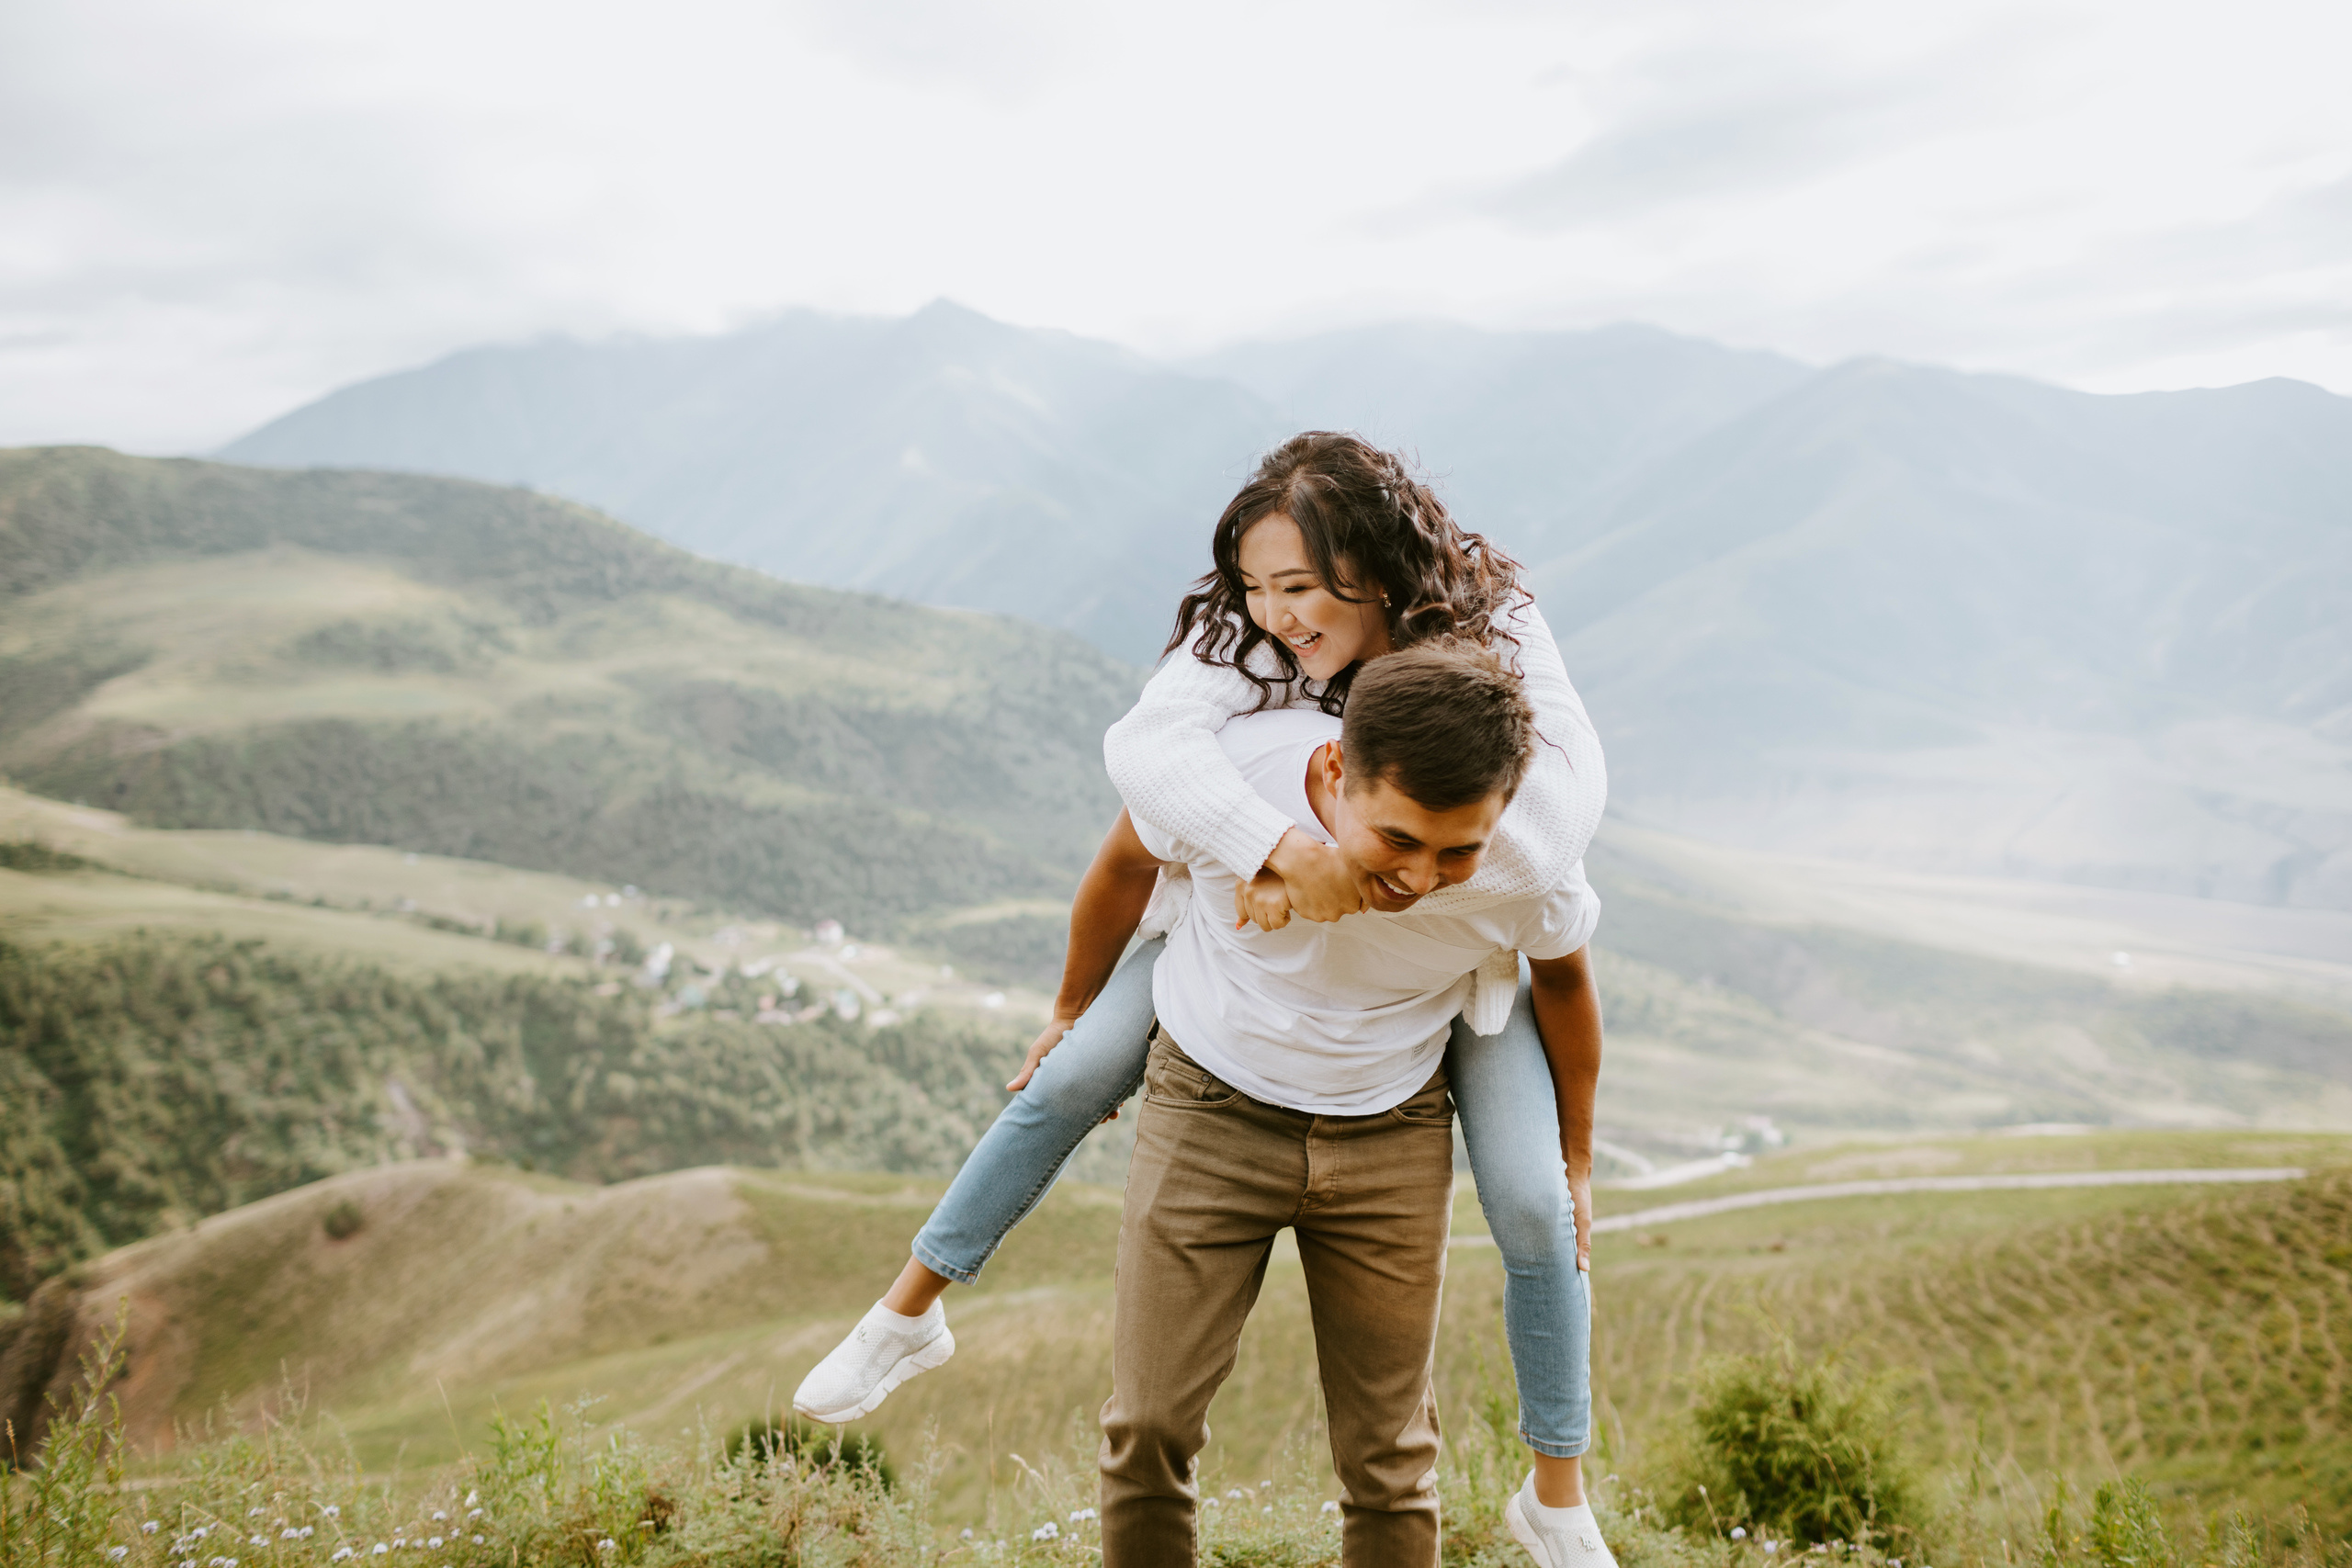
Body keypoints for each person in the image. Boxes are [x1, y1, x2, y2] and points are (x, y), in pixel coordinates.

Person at [792, 434, 1612, 1567]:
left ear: (1379, 570)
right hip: (1220, 1030)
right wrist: (1274, 850)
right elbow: (1143, 772)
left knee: (1534, 1209)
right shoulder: (1250, 674)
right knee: (1071, 1073)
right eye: (1258, 586)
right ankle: (907, 1309)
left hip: (1436, 1020)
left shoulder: (1495, 652)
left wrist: (1429, 890)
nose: (1275, 613)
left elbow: (1562, 843)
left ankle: (1557, 1491)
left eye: (1301, 588)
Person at [1100, 640, 1591, 1568]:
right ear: (1333, 772)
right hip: (1209, 1114)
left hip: (1392, 1138)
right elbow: (1124, 858)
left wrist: (1577, 1160)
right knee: (1149, 1426)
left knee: (1390, 1455)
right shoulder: (1235, 781)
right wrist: (1068, 1016)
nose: (1418, 877)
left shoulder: (1524, 868)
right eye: (1398, 840)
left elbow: (1565, 985)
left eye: (1458, 852)